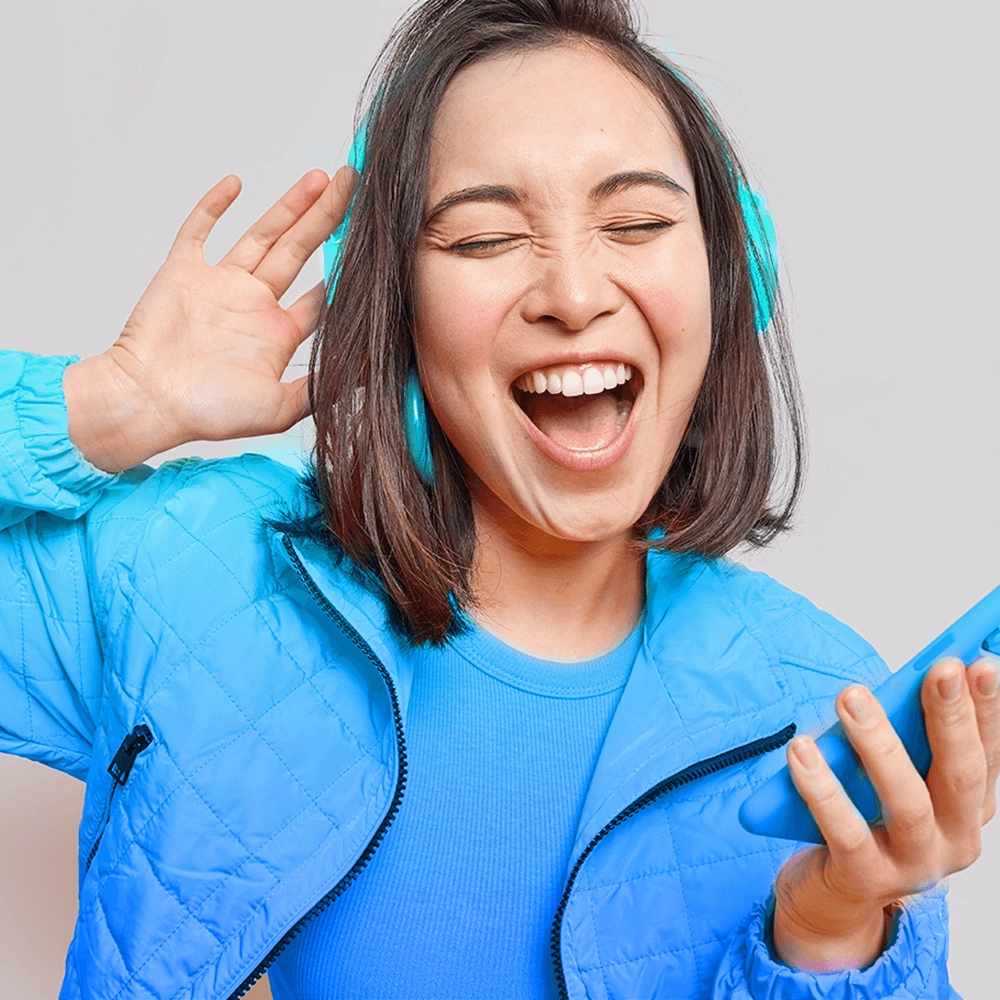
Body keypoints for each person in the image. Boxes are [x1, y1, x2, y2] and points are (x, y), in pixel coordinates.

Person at [1, 0, 997, 997]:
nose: (572, 292)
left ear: (731, 278)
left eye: (639, 222)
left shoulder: (820, 705)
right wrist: (104, 406)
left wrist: (826, 934)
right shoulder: (195, 570)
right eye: (482, 239)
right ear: (396, 313)